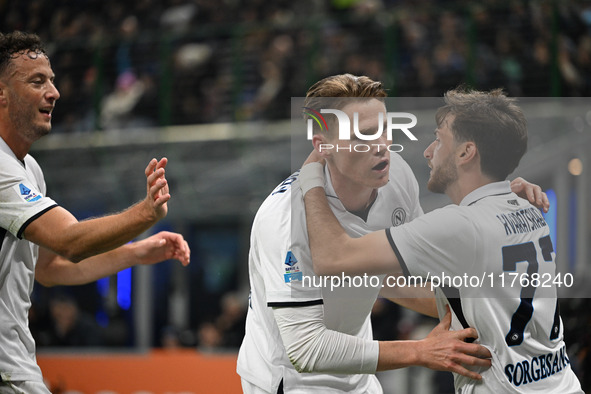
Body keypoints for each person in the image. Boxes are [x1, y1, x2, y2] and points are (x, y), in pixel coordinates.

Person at [237, 73, 548, 393]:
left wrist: (494, 199)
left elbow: (401, 279)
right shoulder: (283, 220)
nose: (381, 146)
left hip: (357, 376)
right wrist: (420, 351)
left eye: (384, 130)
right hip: (290, 379)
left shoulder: (396, 176)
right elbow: (305, 349)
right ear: (323, 147)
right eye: (363, 136)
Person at [299, 87, 583, 393]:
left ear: (465, 152)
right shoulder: (529, 207)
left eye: (439, 139)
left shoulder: (457, 225)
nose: (428, 151)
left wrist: (311, 175)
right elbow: (423, 293)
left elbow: (332, 259)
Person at [0, 31, 190, 393]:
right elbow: (69, 240)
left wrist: (136, 251)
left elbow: (50, 269)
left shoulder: (30, 170)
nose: (53, 93)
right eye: (37, 81)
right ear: (2, 94)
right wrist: (145, 214)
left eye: (52, 81)